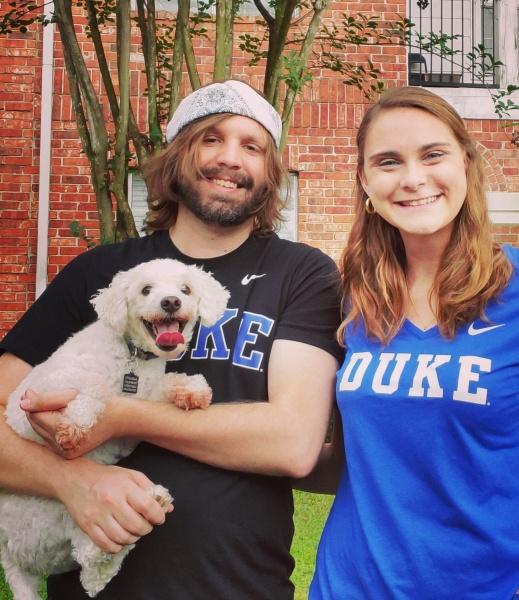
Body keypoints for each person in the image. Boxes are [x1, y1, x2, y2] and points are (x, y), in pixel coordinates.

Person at [0, 79, 343, 599]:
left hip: (239, 586)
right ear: (178, 156)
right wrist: (72, 482)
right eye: (211, 139)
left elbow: (293, 443)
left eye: (252, 147)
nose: (231, 158)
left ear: (270, 174)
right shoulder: (100, 274)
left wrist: (118, 415)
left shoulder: (301, 273)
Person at [306, 86, 519, 600]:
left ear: (466, 163)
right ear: (366, 181)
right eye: (388, 161)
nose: (413, 178)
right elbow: (345, 455)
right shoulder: (352, 297)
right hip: (347, 587)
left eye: (432, 154)